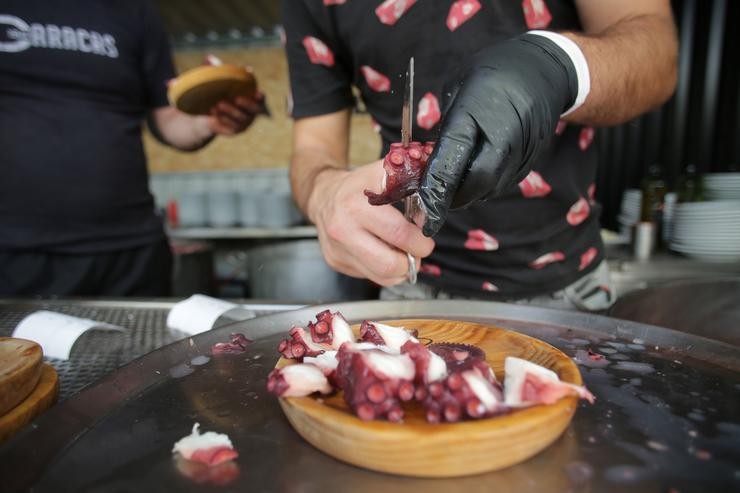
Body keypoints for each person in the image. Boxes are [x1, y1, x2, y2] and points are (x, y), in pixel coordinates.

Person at [281, 0, 677, 310]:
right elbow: (314, 149)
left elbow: (656, 49)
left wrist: (559, 65)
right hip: (411, 288)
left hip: (572, 288)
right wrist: (325, 194)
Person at [0, 0, 265, 296]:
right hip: (15, 249)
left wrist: (209, 121)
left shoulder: (133, 11)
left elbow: (168, 120)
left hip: (133, 249)